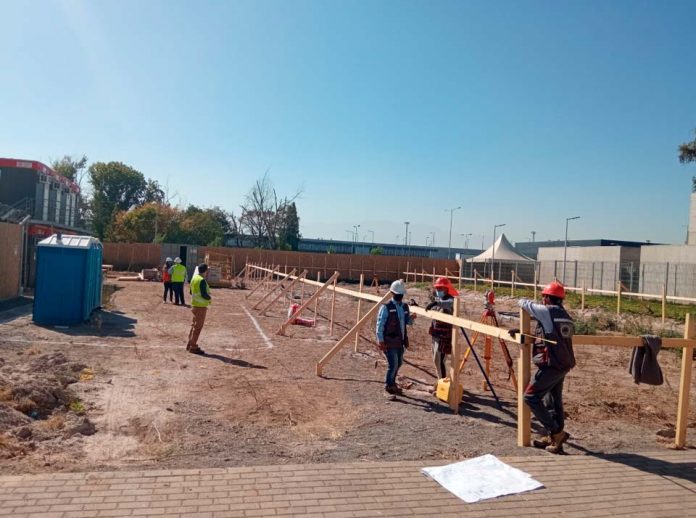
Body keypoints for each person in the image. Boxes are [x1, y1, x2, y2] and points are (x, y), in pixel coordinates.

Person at [514, 280, 576, 454]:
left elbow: (523, 303)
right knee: (553, 401)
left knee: (530, 397)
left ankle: (557, 432)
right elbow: (549, 335)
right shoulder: (564, 315)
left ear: (548, 298)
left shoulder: (547, 312)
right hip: (563, 363)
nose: (542, 301)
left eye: (543, 297)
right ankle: (554, 438)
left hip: (552, 365)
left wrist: (526, 301)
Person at [376, 280, 416, 397]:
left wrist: (412, 318)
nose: (400, 296)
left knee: (398, 363)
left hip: (400, 341)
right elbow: (380, 324)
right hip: (389, 341)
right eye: (398, 294)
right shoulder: (386, 307)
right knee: (393, 365)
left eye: (401, 294)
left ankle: (392, 383)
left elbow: (407, 322)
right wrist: (381, 340)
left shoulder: (404, 307)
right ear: (393, 293)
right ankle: (389, 386)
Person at [426, 277, 458, 380]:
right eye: (437, 288)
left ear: (446, 289)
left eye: (441, 289)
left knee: (440, 361)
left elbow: (449, 304)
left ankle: (442, 382)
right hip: (436, 334)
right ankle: (440, 380)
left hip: (444, 337)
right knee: (436, 360)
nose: (438, 291)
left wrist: (436, 303)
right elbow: (433, 311)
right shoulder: (438, 299)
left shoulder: (450, 300)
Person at [187, 263, 212, 354]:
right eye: (207, 270)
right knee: (197, 327)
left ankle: (190, 343)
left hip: (194, 305)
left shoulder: (194, 278)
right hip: (201, 306)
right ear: (205, 271)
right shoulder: (201, 280)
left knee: (194, 325)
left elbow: (190, 292)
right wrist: (209, 298)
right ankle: (193, 346)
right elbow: (204, 294)